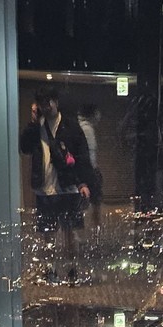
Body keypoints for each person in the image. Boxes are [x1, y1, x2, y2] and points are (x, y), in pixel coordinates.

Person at [20, 84, 92, 281]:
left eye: (48, 102)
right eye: (42, 103)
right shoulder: (37, 128)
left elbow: (82, 156)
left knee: (70, 232)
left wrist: (83, 183)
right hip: (45, 190)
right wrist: (33, 122)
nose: (46, 106)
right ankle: (50, 269)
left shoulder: (70, 126)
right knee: (48, 233)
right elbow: (24, 147)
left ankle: (72, 269)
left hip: (68, 188)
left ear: (56, 102)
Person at [77, 103, 104, 240]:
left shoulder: (81, 127)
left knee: (83, 206)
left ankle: (83, 236)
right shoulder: (87, 129)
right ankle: (95, 237)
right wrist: (93, 173)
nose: (99, 117)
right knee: (95, 205)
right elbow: (88, 156)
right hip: (89, 173)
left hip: (85, 172)